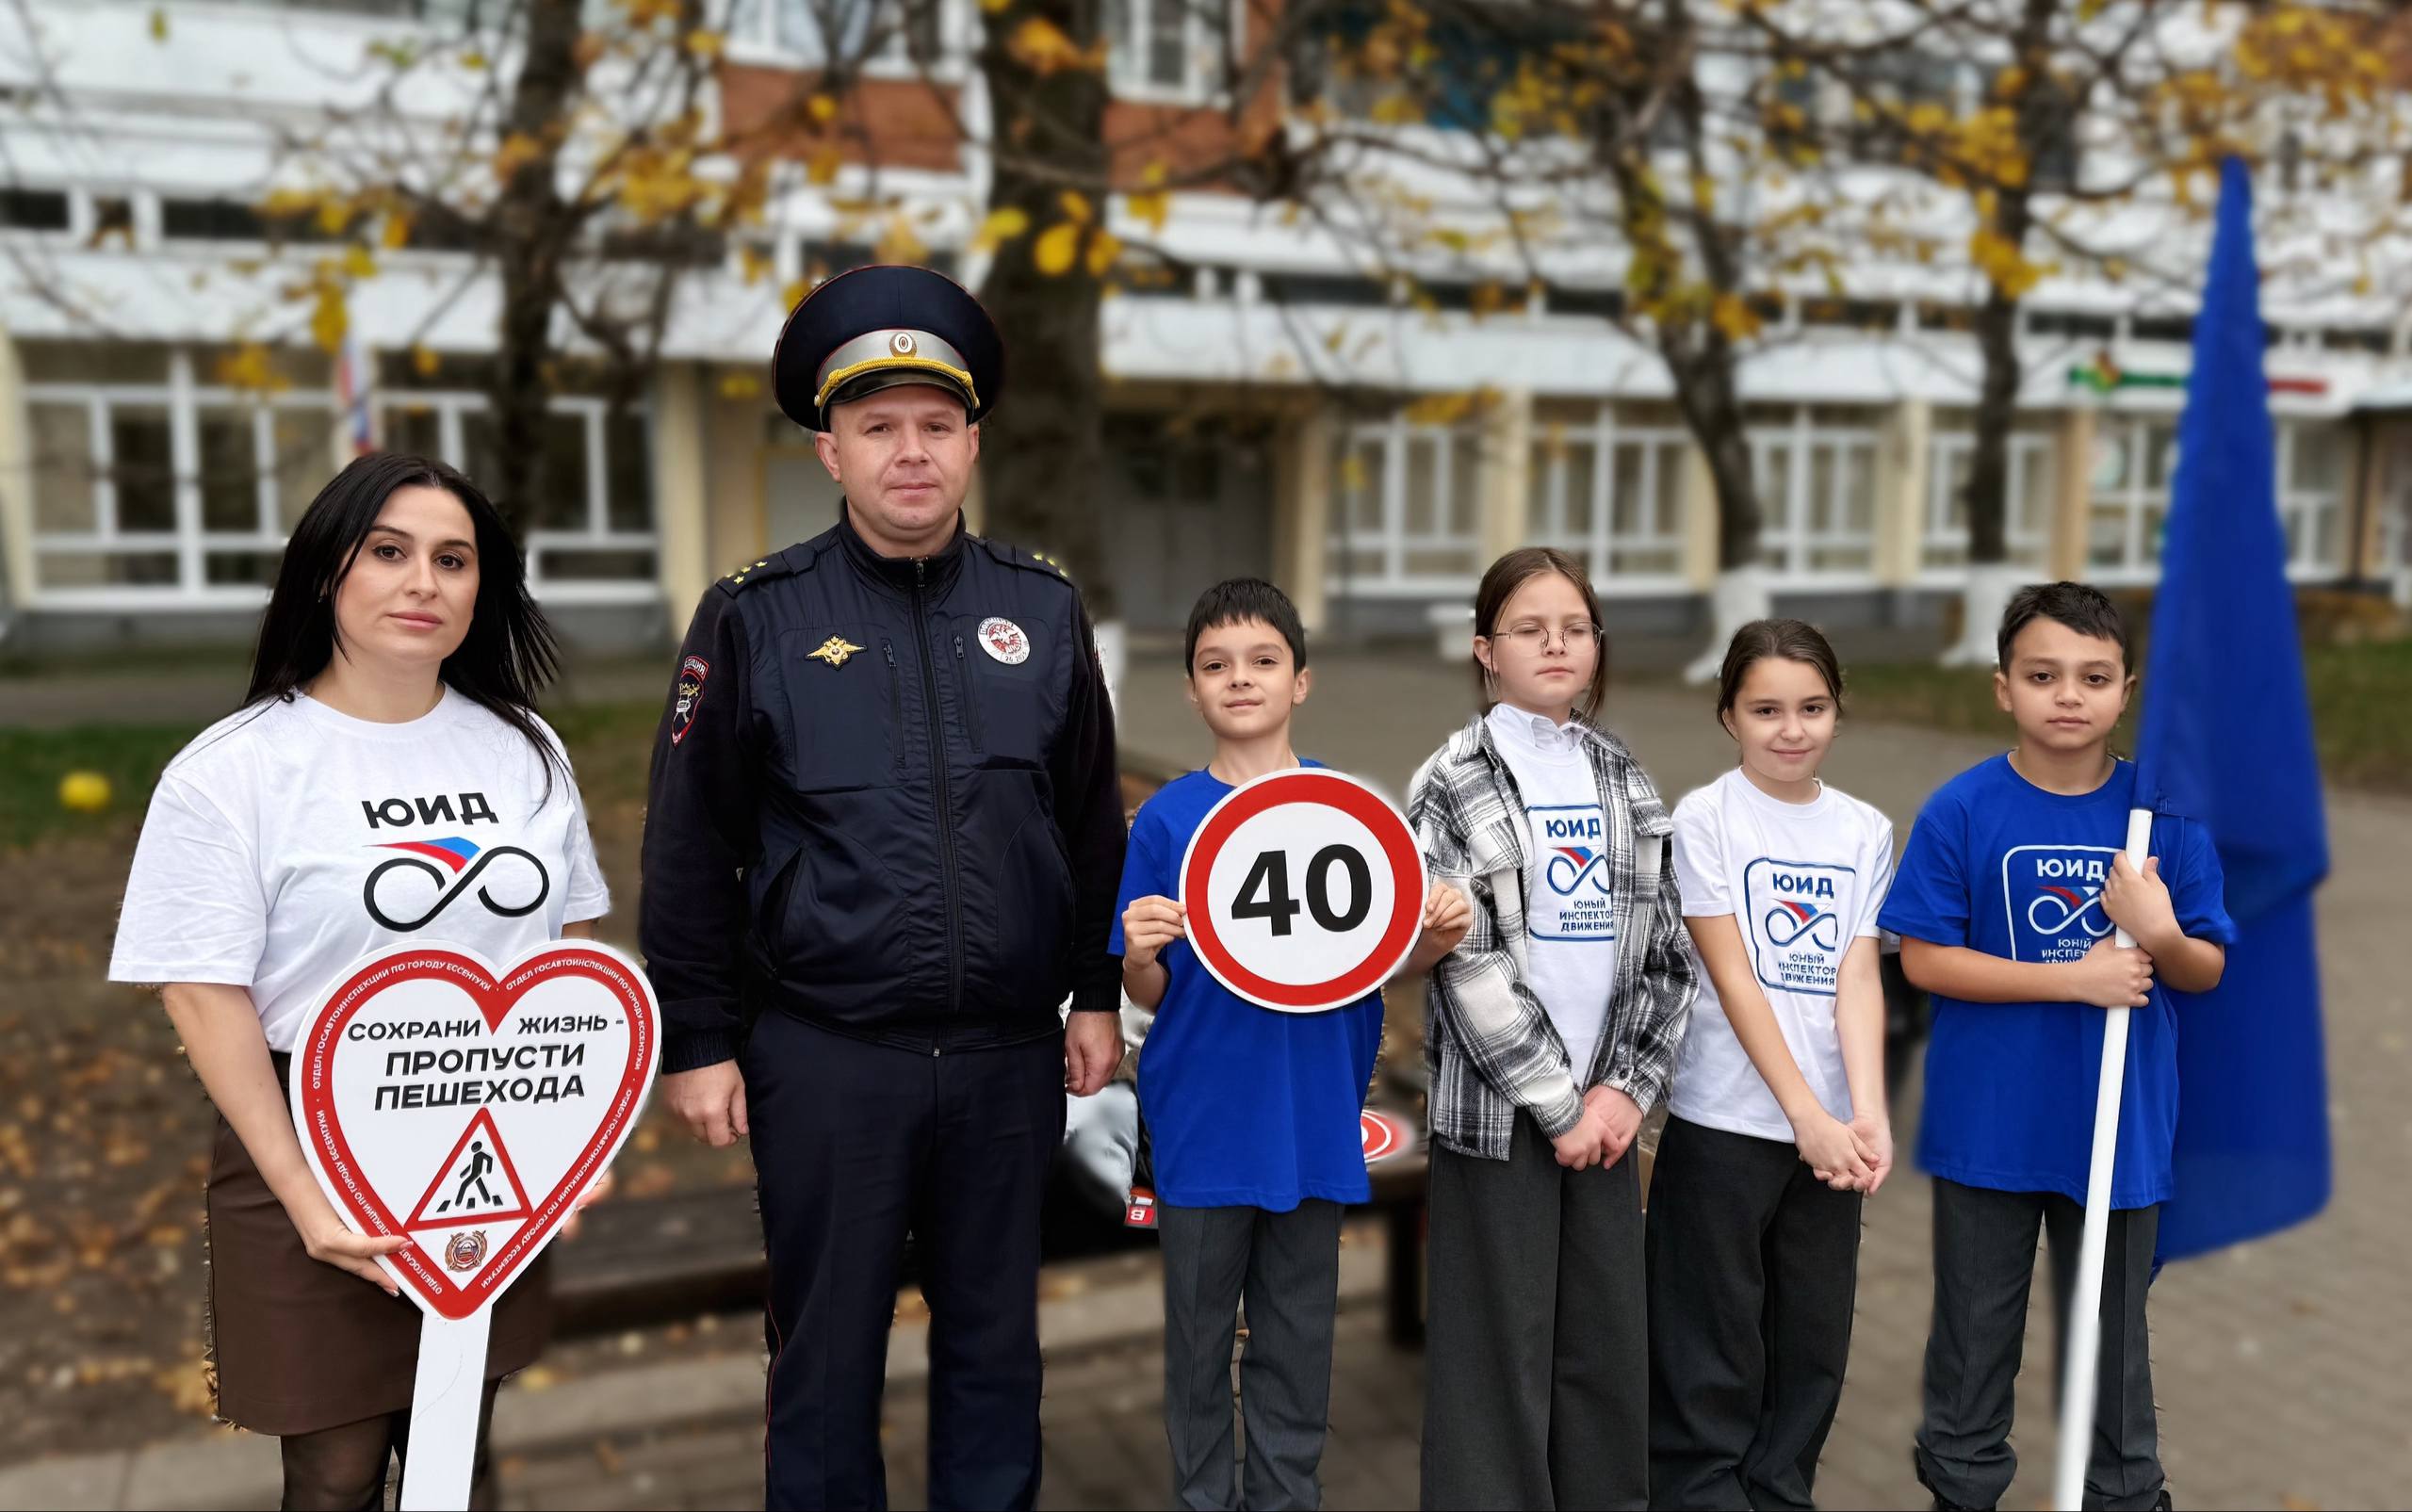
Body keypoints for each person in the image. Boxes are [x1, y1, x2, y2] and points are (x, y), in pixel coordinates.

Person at [638, 264, 1128, 1511]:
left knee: (994, 1358)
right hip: (826, 1057)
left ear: (971, 440)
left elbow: (1083, 821)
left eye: (935, 425)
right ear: (830, 449)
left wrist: (1092, 993)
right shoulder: (758, 618)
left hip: (1005, 1063)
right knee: (823, 1363)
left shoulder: (1043, 609)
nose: (910, 453)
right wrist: (695, 1039)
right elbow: (691, 843)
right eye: (878, 428)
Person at [106, 452, 611, 1510]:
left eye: (453, 558)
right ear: (328, 571)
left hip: (487, 1135)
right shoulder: (234, 767)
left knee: (456, 1459)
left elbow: (571, 953)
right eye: (389, 551)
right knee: (334, 1479)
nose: (423, 581)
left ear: (486, 588)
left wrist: (569, 1139)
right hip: (307, 1140)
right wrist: (306, 1197)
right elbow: (203, 994)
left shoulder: (524, 749)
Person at [1114, 578, 1471, 1511]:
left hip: (1313, 1111)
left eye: (1263, 661)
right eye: (1216, 665)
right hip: (1198, 1114)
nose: (1240, 680)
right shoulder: (1164, 818)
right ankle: (1201, 1498)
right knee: (1196, 1338)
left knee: (1296, 1331)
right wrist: (1141, 953)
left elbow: (1382, 965)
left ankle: (1284, 1494)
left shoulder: (1349, 814)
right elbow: (1143, 990)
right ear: (1191, 689)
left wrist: (1432, 935)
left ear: (1300, 681)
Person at [1880, 582, 2234, 1512]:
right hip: (1989, 1124)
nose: (2067, 696)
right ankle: (1961, 1492)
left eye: (2092, 677)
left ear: (2126, 690)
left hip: (2117, 1127)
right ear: (2004, 688)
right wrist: (2071, 979)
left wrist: (2156, 932)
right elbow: (1922, 959)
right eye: (2043, 676)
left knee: (2112, 1345)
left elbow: (2203, 970)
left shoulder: (2163, 820)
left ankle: (2123, 1495)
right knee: (1972, 1339)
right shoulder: (1961, 809)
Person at [1405, 545, 1700, 1511]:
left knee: (1604, 1346)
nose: (1555, 644)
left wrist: (1621, 1092)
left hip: (1607, 1119)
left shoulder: (1623, 775)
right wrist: (1557, 1103)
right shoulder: (1449, 780)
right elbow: (1465, 963)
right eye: (1530, 629)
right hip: (1501, 1122)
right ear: (1486, 650)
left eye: (1574, 627)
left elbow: (1664, 955)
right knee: (1498, 1357)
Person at [1647, 619, 1896, 1510]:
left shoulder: (1866, 829)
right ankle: (1702, 1493)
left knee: (1810, 1344)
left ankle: (1780, 1492)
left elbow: (1858, 975)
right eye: (1767, 709)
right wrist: (1806, 1116)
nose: (1792, 728)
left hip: (1830, 1138)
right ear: (1728, 716)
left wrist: (1866, 1113)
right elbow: (1735, 975)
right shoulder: (1704, 819)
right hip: (1728, 1125)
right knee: (1710, 1342)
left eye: (1812, 707)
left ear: (1836, 711)